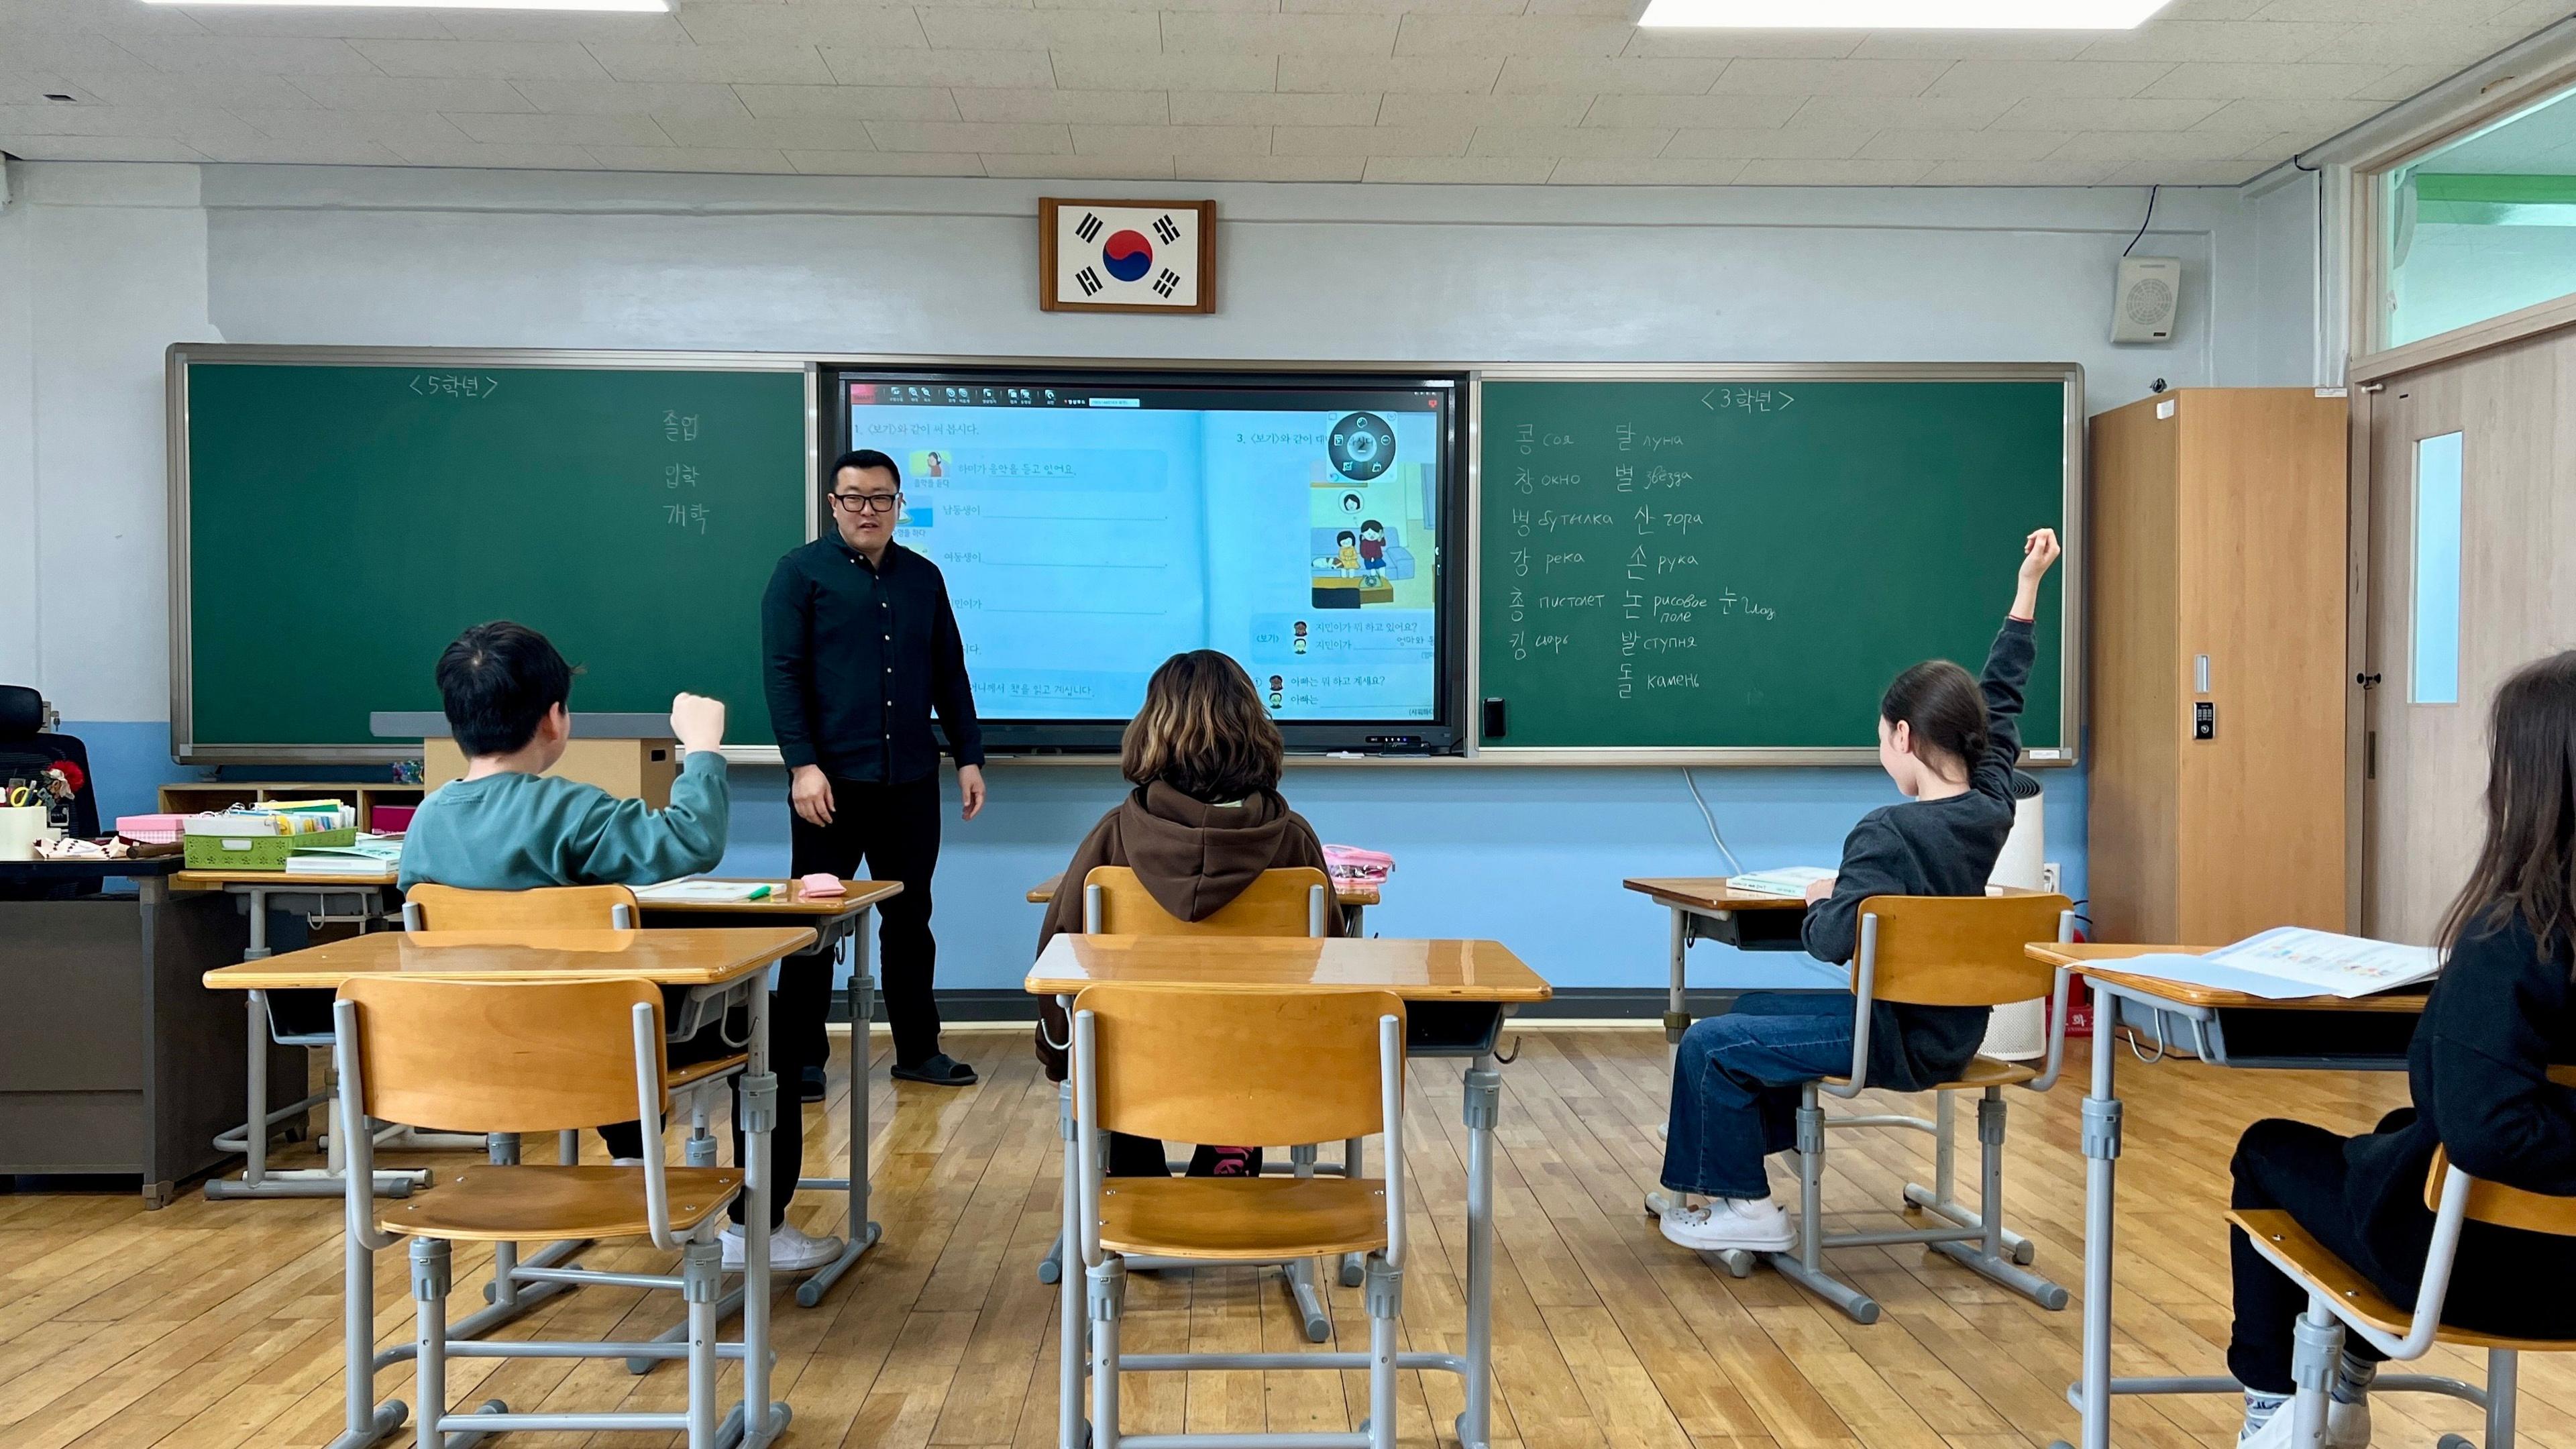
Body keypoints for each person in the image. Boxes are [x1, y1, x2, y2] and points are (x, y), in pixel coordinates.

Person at [1654, 527, 2061, 1253]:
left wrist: (1825, 897)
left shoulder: (1887, 831)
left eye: (1881, 737)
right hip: (1957, 1033)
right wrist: (2026, 591)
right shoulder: (1994, 805)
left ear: (1903, 737)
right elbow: (2001, 701)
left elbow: (1834, 941)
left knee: (1712, 1044)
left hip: (1892, 1039)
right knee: (1754, 1013)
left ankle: (1746, 1207)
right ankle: (1719, 1165)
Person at [396, 621, 845, 1271]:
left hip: (476, 1051)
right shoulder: (568, 812)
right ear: (555, 719)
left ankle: (633, 1165)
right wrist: (703, 748)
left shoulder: (426, 821)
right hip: (598, 1050)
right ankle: (758, 1232)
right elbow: (693, 839)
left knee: (598, 1009)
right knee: (762, 1032)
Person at [2224, 651, 2576, 1449]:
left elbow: (2490, 1131)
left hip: (2483, 1277)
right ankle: (2339, 1379)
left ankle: (2292, 1407)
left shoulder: (2518, 935)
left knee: (2266, 1152)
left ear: (2531, 785)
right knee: (2394, 1127)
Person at [1032, 649, 1340, 1177]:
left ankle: (1129, 1167)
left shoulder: (1113, 838)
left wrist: (1061, 1060)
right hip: (1261, 1060)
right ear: (1254, 730)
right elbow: (1336, 972)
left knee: (1119, 1053)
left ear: (1151, 730)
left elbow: (1057, 964)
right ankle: (1234, 1145)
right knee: (1253, 1047)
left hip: (1136, 1061)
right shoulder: (1293, 843)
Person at [763, 448, 986, 1094]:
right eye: (855, 497)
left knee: (911, 917)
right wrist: (801, 766)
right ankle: (802, 1057)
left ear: (897, 504)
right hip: (828, 784)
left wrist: (969, 755)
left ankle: (919, 1048)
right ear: (834, 504)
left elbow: (950, 671)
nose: (868, 509)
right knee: (815, 919)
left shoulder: (923, 578)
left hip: (910, 778)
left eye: (881, 498)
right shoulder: (799, 574)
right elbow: (783, 676)